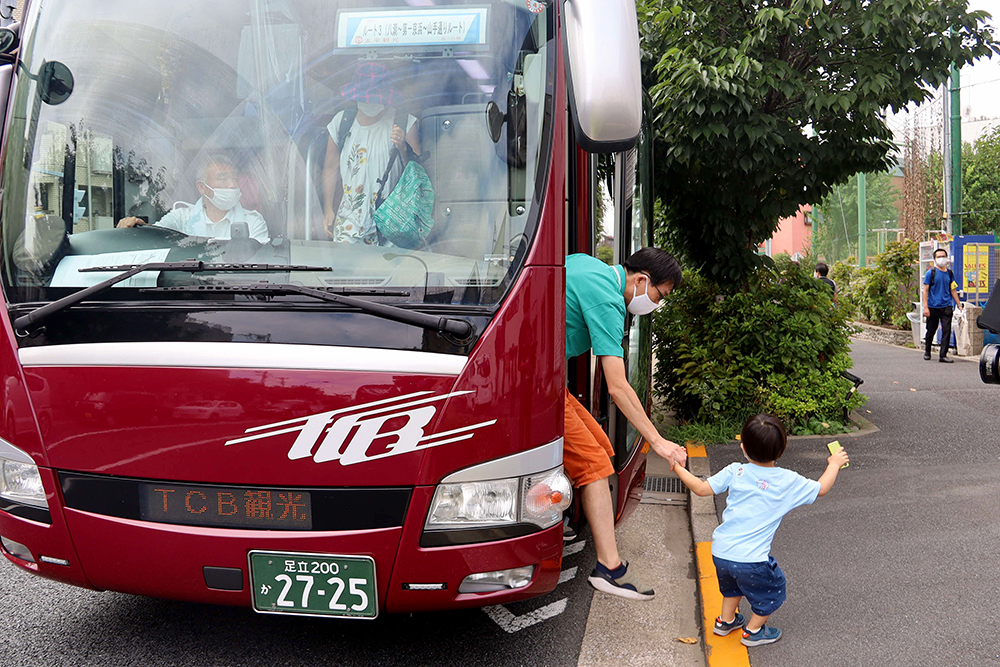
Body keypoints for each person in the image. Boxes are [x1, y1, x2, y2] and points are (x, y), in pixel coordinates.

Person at [565, 247, 687, 600]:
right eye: (659, 295)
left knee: (602, 448)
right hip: (532, 382)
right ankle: (608, 568)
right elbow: (617, 387)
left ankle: (563, 520)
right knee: (594, 464)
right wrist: (658, 441)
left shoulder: (589, 265)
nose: (657, 304)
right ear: (641, 279)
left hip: (546, 378)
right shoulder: (609, 301)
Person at [670, 414, 849, 647]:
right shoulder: (787, 480)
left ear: (743, 447)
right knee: (773, 590)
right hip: (751, 560)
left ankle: (725, 622)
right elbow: (822, 488)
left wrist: (677, 467)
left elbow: (701, 489)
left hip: (721, 551)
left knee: (732, 587)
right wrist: (833, 464)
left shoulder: (736, 471)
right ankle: (754, 631)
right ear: (781, 450)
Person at [322, 62, 421, 245]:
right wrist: (328, 209)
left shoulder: (404, 122)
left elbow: (419, 175)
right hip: (349, 221)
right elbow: (330, 166)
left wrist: (403, 148)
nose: (370, 103)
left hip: (392, 222)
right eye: (365, 98)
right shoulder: (342, 122)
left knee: (389, 271)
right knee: (345, 271)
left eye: (374, 98)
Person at [117, 156, 269, 242]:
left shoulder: (254, 222)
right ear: (202, 187)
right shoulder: (181, 217)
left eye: (234, 179)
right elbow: (154, 238)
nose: (232, 185)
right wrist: (137, 227)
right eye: (223, 179)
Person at [922, 248, 963, 363]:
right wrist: (925, 307)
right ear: (934, 259)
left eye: (943, 256)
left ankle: (943, 355)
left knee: (946, 330)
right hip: (933, 306)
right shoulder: (931, 273)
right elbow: (925, 290)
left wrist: (959, 304)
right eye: (939, 257)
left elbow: (953, 289)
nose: (941, 259)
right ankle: (927, 350)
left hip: (946, 306)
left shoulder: (950, 273)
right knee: (931, 330)